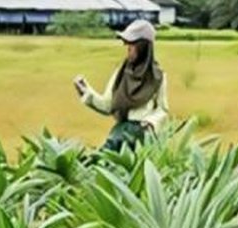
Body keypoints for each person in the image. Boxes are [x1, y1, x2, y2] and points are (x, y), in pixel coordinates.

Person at [73, 19, 170, 153]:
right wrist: (85, 91)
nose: (128, 49)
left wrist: (150, 123)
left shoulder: (157, 77)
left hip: (144, 136)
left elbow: (162, 110)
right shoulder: (121, 74)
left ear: (143, 47)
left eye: (132, 45)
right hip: (121, 134)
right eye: (127, 44)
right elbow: (108, 105)